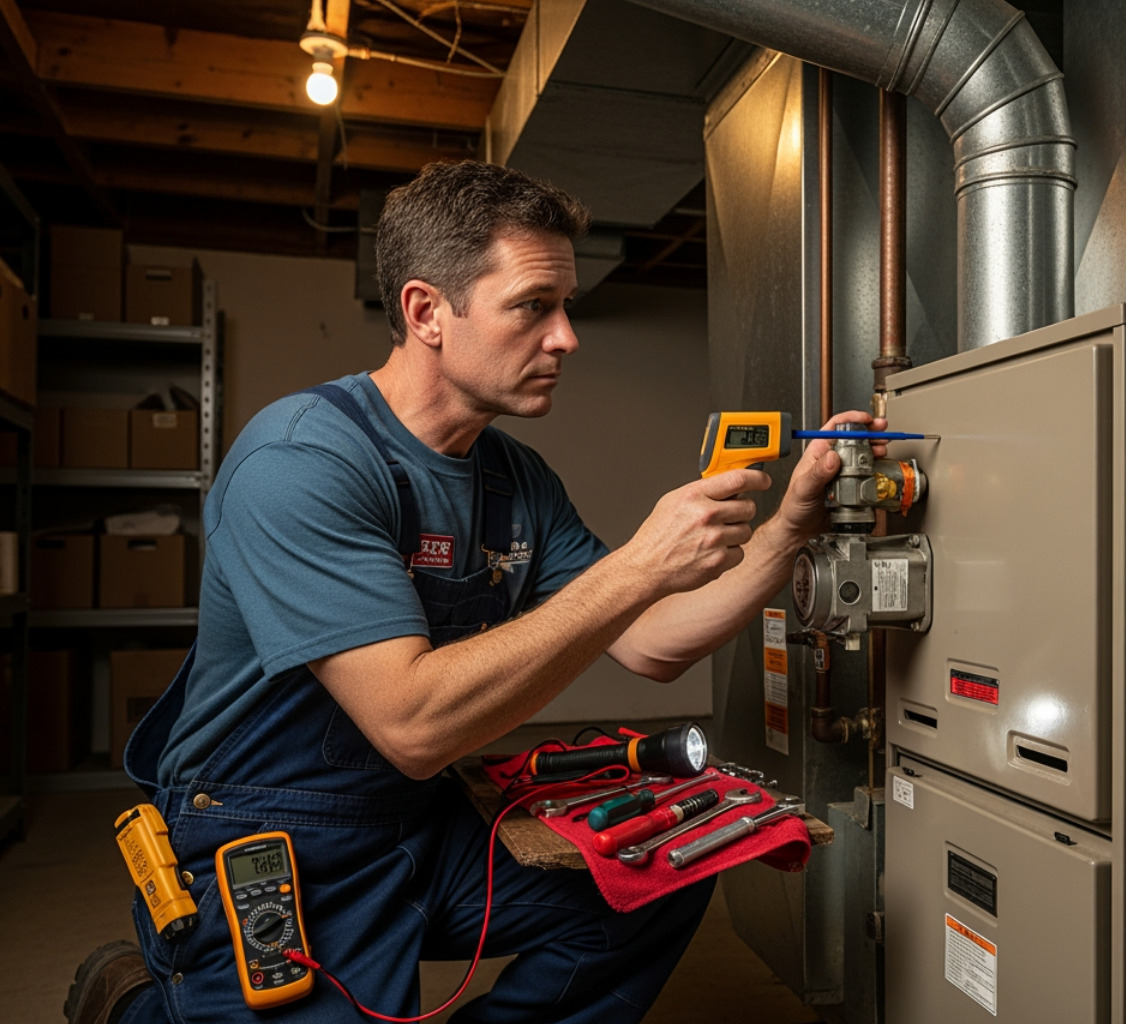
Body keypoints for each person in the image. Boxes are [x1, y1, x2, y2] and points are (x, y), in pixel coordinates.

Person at [65, 160, 884, 1024]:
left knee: (663, 869)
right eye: (535, 305)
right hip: (268, 840)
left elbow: (653, 643)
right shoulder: (301, 462)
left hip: (418, 823)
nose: (566, 336)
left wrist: (788, 528)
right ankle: (129, 1004)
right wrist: (639, 563)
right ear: (427, 312)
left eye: (565, 308)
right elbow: (412, 723)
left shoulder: (512, 477)